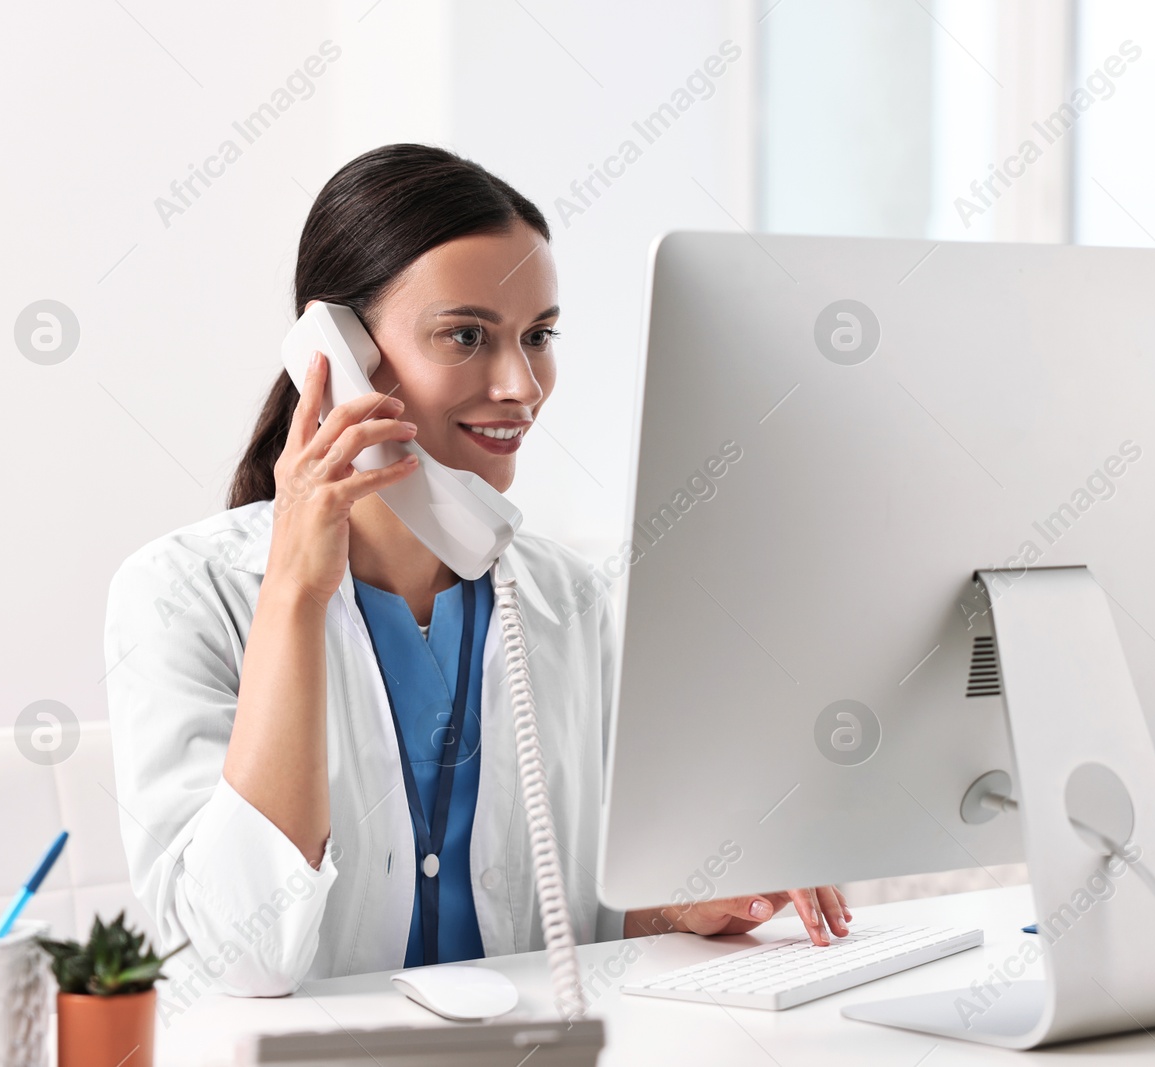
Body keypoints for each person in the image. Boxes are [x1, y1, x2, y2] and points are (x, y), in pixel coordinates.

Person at [104, 143, 851, 998]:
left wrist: (678, 905)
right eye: (467, 335)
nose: (521, 384)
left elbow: (561, 924)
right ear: (336, 352)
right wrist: (295, 592)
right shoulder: (181, 595)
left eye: (538, 337)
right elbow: (237, 959)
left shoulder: (562, 595)